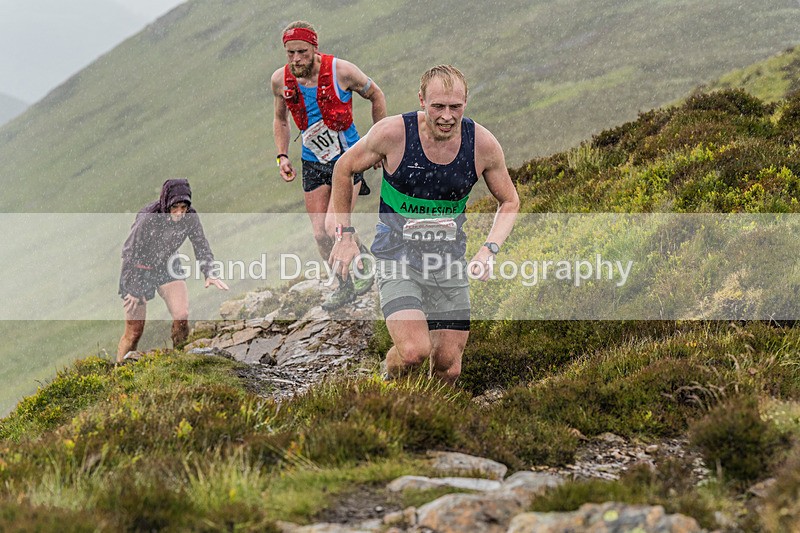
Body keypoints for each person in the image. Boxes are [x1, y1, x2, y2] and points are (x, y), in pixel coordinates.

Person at [329, 65, 520, 385]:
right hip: (397, 257)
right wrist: (345, 235)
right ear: (421, 100)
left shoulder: (482, 145)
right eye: (438, 106)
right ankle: (385, 385)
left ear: (466, 103)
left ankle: (432, 417)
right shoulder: (393, 134)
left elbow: (510, 201)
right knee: (414, 352)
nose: (447, 116)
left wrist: (489, 250)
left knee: (448, 365)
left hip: (447, 261)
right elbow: (343, 168)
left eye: (455, 107)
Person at [270, 20, 387, 311]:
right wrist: (282, 155)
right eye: (290, 53)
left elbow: (377, 95)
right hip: (313, 161)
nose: (296, 59)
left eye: (302, 52)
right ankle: (345, 283)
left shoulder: (342, 71)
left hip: (349, 158)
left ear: (314, 47)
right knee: (320, 233)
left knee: (335, 224)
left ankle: (363, 266)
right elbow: (281, 119)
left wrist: (379, 143)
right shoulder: (280, 80)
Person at [117, 178, 229, 363]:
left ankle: (181, 358)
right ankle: (119, 373)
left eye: (183, 208)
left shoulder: (190, 217)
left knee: (181, 316)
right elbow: (129, 253)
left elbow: (200, 244)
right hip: (137, 269)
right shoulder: (148, 217)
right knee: (134, 332)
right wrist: (134, 288)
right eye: (175, 208)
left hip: (167, 265)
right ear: (165, 203)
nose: (179, 213)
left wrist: (209, 272)